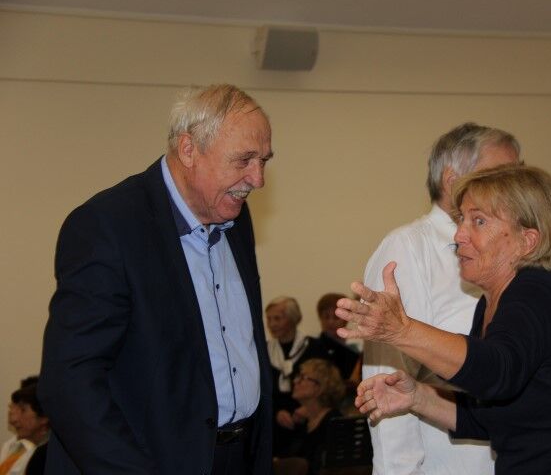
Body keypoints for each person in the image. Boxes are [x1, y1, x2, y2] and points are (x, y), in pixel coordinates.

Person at [337, 165, 551, 474]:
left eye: (478, 221)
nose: (459, 235)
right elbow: (495, 416)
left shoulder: (537, 291)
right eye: (461, 219)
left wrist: (401, 329)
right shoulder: (490, 304)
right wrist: (417, 397)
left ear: (527, 241)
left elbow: (497, 371)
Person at [38, 84, 274, 474]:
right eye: (244, 160)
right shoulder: (108, 226)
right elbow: (69, 381)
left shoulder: (233, 215)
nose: (258, 179)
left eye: (264, 160)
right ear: (189, 149)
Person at [361, 123, 519, 475]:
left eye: (517, 174)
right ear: (452, 181)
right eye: (499, 176)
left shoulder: (513, 248)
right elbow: (387, 378)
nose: (515, 188)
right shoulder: (407, 248)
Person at [266, 296, 326, 456]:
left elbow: (326, 385)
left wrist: (308, 408)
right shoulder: (264, 351)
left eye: (277, 318)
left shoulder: (314, 347)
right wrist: (276, 412)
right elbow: (261, 390)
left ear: (293, 319)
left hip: (309, 418)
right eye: (269, 319)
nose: (272, 324)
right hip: (274, 423)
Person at [278, 358, 346, 475]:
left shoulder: (333, 422)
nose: (295, 381)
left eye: (302, 377)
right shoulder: (302, 420)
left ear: (320, 387)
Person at [0, 383, 49, 475]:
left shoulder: (48, 457)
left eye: (23, 410)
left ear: (44, 417)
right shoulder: (15, 446)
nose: (14, 419)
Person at [316, 293, 360, 380]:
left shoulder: (355, 348)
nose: (330, 322)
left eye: (336, 317)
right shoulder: (314, 347)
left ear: (346, 319)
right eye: (326, 317)